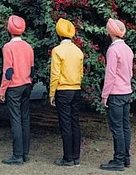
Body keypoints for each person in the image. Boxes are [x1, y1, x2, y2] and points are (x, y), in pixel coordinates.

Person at [100, 19, 134, 171]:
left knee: (117, 128)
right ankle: (126, 158)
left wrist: (104, 95)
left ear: (110, 32)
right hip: (127, 91)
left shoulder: (113, 50)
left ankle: (118, 160)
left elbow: (110, 75)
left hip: (115, 93)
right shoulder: (127, 49)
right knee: (125, 126)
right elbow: (130, 72)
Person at [0, 15, 34, 165]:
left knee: (16, 120)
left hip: (14, 87)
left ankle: (17, 155)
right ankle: (25, 153)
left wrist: (2, 91)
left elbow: (8, 71)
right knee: (25, 119)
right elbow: (32, 70)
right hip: (27, 85)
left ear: (9, 29)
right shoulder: (28, 46)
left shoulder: (8, 47)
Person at [49, 18, 84, 166]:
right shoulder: (78, 51)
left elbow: (55, 74)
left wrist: (52, 93)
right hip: (76, 89)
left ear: (59, 34)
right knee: (75, 122)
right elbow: (81, 73)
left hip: (63, 90)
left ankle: (67, 157)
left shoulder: (57, 51)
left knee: (65, 124)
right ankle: (76, 156)